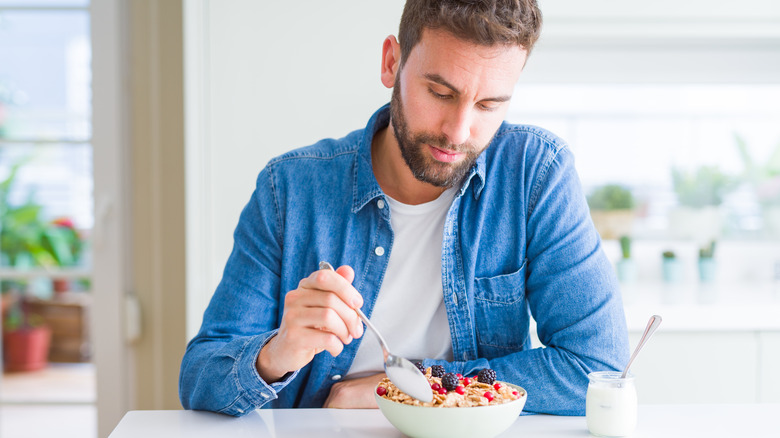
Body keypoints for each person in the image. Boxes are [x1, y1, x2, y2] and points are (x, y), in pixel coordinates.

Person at [179, 0, 629, 416]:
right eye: (440, 93)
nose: (458, 131)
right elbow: (200, 380)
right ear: (391, 62)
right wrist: (277, 353)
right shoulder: (291, 189)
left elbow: (595, 368)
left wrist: (407, 388)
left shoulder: (535, 175)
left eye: (489, 104)